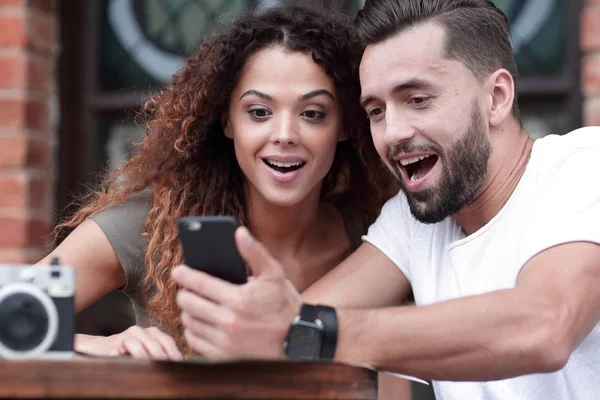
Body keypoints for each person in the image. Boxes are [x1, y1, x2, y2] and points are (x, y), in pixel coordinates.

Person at [172, 1, 600, 399]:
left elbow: (546, 326)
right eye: (376, 110)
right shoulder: (413, 222)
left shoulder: (583, 168)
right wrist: (115, 347)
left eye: (417, 99)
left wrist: (311, 330)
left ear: (497, 97)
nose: (391, 132)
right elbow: (285, 331)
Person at [40, 4, 395, 363]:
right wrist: (101, 345)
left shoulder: (373, 238)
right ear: (227, 122)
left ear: (345, 126)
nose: (285, 134)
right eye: (259, 112)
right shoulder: (153, 223)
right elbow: (9, 311)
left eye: (312, 114)